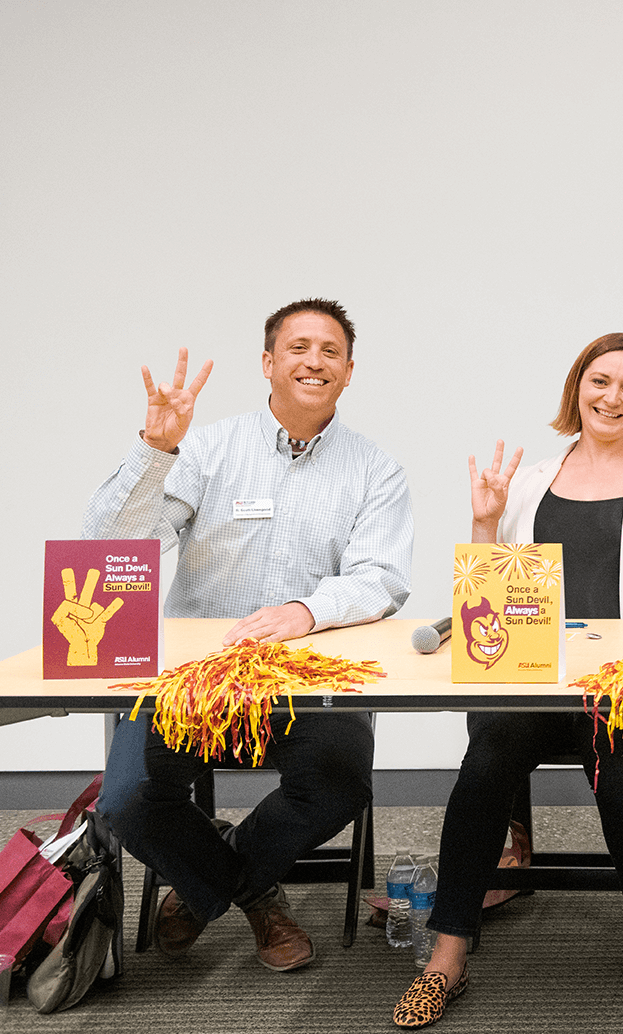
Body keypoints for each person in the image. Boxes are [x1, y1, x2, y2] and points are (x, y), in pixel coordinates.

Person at [393, 332, 623, 1028]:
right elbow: (485, 597)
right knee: (484, 766)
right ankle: (447, 956)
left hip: (622, 690)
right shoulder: (529, 480)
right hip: (530, 683)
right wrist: (483, 520)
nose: (612, 397)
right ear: (577, 388)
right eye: (600, 381)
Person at [89, 298, 413, 972]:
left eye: (329, 351)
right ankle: (254, 892)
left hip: (309, 679)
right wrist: (155, 451)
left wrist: (305, 610)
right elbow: (113, 551)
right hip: (197, 679)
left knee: (338, 784)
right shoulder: (204, 448)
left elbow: (382, 577)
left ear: (349, 372)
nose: (314, 361)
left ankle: (202, 884)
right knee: (124, 799)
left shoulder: (374, 468)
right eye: (298, 347)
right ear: (268, 363)